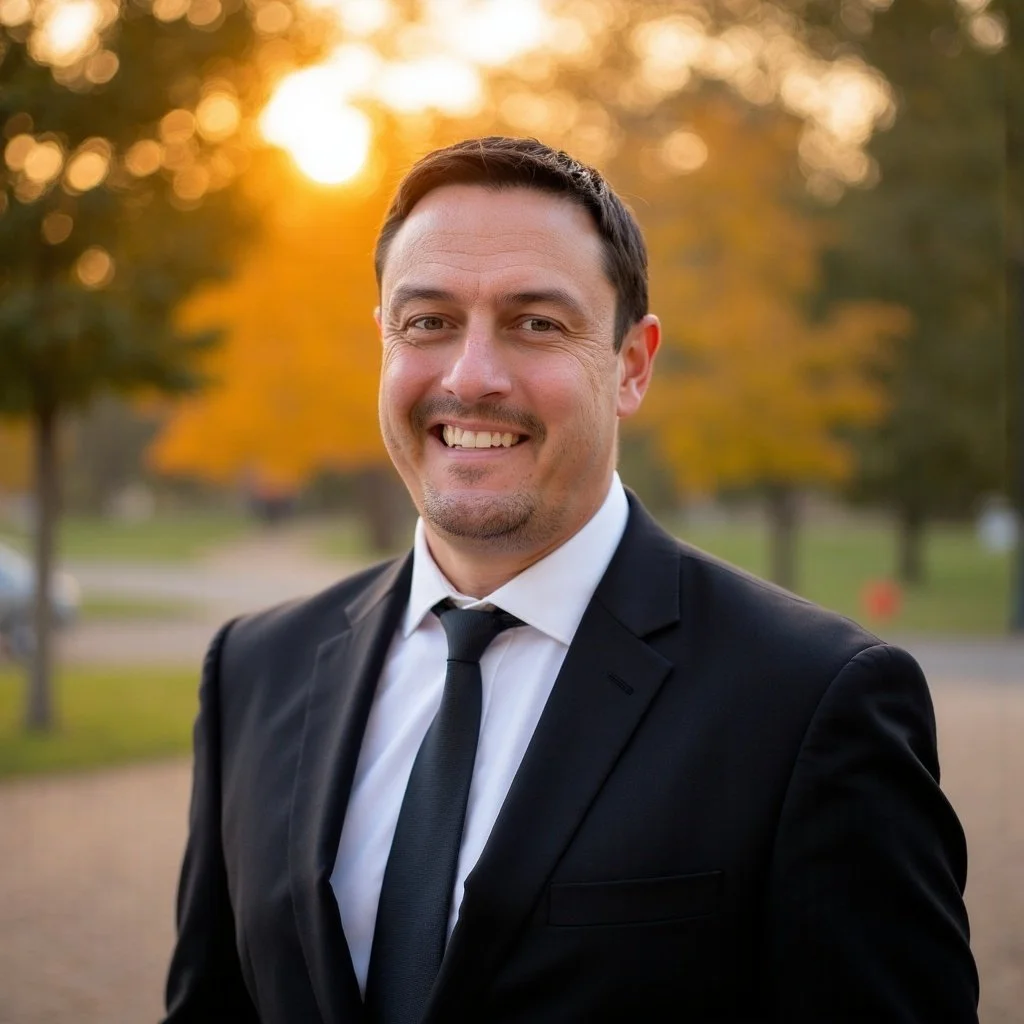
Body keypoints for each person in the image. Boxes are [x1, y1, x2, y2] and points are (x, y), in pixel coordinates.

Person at [163, 136, 978, 1024]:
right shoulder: (255, 668)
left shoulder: (812, 701)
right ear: (384, 345)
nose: (471, 376)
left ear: (632, 365)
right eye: (428, 321)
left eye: (536, 323)